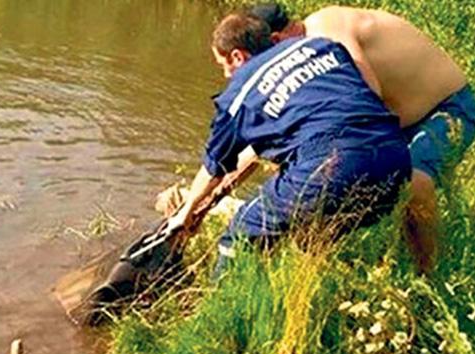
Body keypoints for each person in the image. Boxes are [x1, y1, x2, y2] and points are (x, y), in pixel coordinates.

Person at [167, 12, 411, 278]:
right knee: (311, 235)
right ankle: (318, 295)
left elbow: (214, 167)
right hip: (396, 159)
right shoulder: (322, 46)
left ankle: (220, 311)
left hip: (332, 163)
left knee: (241, 232)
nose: (226, 75)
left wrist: (186, 212)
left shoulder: (241, 92)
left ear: (238, 56)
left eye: (222, 65)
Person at [249, 2, 475, 273]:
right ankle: (314, 277)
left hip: (447, 107)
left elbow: (368, 94)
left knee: (415, 181)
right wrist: (200, 201)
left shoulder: (325, 30)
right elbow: (261, 139)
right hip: (395, 121)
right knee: (317, 183)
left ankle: (430, 275)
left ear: (276, 40)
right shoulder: (306, 55)